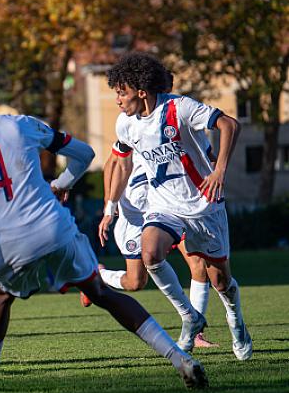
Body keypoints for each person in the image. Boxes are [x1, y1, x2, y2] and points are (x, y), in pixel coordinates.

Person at [0, 70, 207, 393]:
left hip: (8, 244)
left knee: (1, 297)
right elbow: (84, 154)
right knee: (102, 293)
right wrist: (61, 184)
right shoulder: (20, 124)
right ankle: (179, 359)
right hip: (53, 226)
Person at [101, 52, 251, 360]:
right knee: (150, 253)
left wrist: (220, 170)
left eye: (121, 92)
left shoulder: (178, 108)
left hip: (204, 206)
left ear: (141, 90)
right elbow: (119, 163)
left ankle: (236, 320)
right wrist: (111, 206)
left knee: (220, 280)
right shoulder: (125, 124)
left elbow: (229, 124)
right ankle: (190, 317)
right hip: (164, 207)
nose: (117, 99)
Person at [90, 75, 218, 348]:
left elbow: (202, 157)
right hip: (135, 213)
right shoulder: (130, 125)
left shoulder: (178, 119)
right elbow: (113, 164)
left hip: (167, 207)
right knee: (136, 281)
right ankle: (96, 275)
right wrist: (109, 207)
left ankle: (194, 330)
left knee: (198, 264)